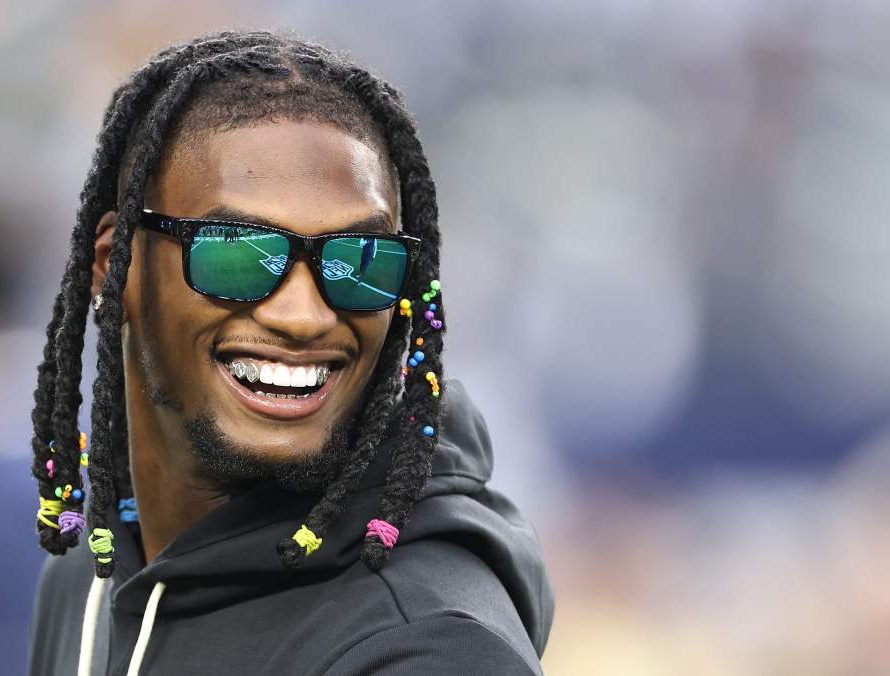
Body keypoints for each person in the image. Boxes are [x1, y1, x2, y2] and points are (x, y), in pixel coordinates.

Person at [27, 31, 553, 675]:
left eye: (359, 261)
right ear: (117, 268)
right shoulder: (91, 574)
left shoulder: (428, 650)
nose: (304, 316)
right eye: (238, 253)